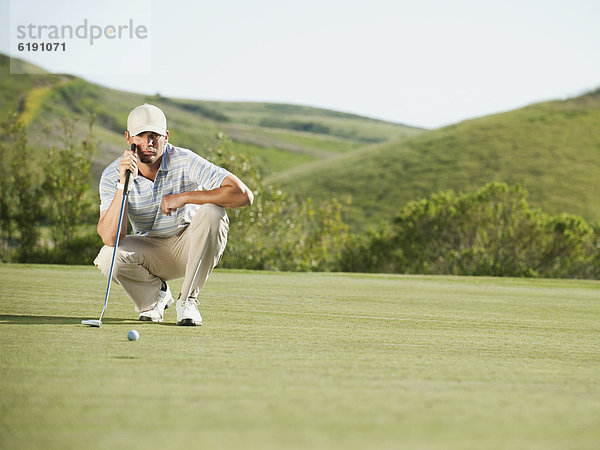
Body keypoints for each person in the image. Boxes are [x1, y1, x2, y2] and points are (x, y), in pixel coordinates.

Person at [94, 103, 253, 326]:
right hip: (149, 254)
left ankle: (188, 301)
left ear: (166, 137)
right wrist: (123, 184)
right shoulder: (113, 174)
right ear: (128, 137)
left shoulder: (185, 159)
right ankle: (155, 298)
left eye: (154, 136)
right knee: (107, 255)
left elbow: (243, 195)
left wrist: (184, 197)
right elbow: (111, 238)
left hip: (189, 248)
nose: (148, 143)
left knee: (213, 211)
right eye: (141, 136)